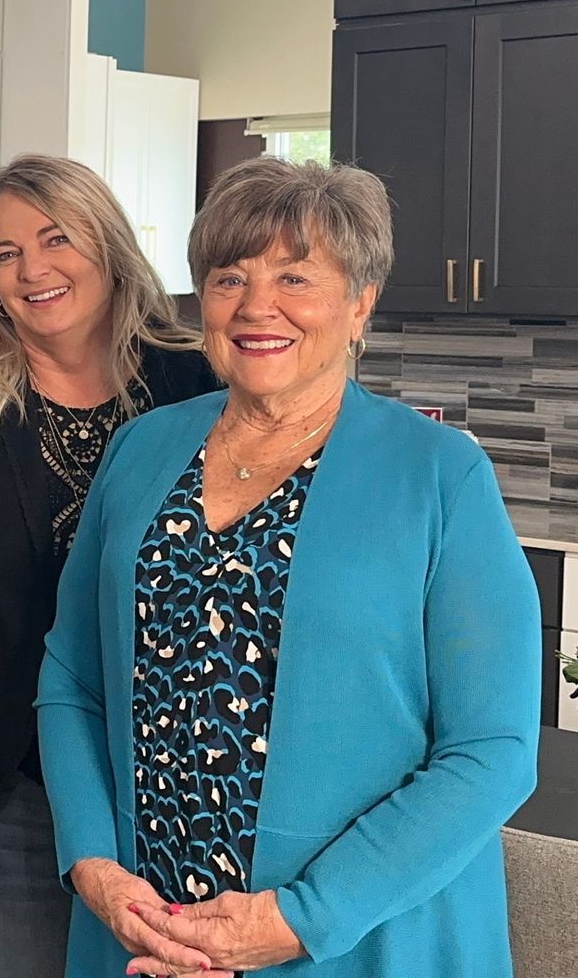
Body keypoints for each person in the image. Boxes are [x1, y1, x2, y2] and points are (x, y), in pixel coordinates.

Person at [37, 157, 540, 978]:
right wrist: (93, 865)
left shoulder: (440, 474)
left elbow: (491, 751)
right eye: (229, 277)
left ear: (359, 303)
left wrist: (300, 918)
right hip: (144, 935)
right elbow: (72, 677)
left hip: (357, 939)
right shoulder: (142, 449)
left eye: (295, 276)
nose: (255, 305)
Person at [0, 155, 218, 978]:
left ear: (108, 245)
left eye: (57, 239)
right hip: (0, 789)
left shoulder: (193, 380)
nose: (33, 269)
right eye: (5, 253)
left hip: (161, 780)